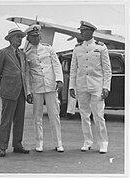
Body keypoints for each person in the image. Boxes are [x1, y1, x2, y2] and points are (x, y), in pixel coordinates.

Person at [69, 21, 112, 154]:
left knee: (99, 115)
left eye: (83, 31)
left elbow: (107, 69)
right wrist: (72, 86)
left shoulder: (101, 47)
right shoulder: (77, 48)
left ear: (90, 32)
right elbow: (73, 69)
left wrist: (106, 87)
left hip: (97, 86)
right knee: (84, 115)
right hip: (82, 86)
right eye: (80, 31)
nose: (81, 33)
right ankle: (87, 141)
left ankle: (103, 143)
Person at [24, 24, 64, 152]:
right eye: (33, 36)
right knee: (37, 117)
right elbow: (26, 74)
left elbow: (56, 65)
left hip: (51, 85)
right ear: (28, 38)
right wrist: (28, 91)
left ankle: (58, 143)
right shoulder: (27, 53)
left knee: (54, 115)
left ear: (40, 36)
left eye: (37, 36)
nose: (36, 38)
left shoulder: (49, 49)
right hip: (37, 87)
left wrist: (59, 80)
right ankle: (39, 142)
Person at [0, 28, 30, 157]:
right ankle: (3, 146)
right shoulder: (3, 53)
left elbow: (24, 74)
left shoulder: (22, 54)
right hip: (9, 92)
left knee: (19, 120)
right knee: (6, 120)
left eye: (21, 37)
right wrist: (3, 87)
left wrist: (27, 91)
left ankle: (17, 144)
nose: (20, 39)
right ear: (10, 39)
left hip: (21, 92)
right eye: (17, 37)